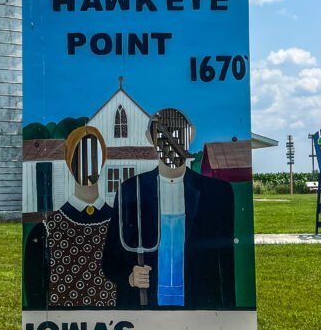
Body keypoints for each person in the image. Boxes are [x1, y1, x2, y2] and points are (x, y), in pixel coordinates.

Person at [102, 108, 235, 309]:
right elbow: (111, 259)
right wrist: (130, 277)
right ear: (150, 138)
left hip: (198, 309)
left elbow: (225, 263)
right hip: (147, 309)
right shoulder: (131, 191)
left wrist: (227, 316)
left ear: (191, 135)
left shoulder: (217, 194)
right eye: (163, 136)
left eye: (178, 135)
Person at [24, 125, 117, 308]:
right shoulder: (44, 231)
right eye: (80, 156)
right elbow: (36, 299)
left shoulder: (120, 227)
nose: (88, 165)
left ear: (103, 160)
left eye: (94, 156)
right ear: (70, 162)